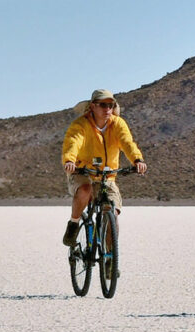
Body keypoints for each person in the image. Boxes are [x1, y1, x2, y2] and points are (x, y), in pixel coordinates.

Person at [60, 89, 147, 247]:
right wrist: (69, 160)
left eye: (111, 105)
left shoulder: (118, 124)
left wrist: (137, 159)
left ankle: (109, 262)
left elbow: (127, 142)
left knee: (112, 212)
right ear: (93, 106)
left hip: (107, 175)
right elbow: (74, 142)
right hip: (82, 171)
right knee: (85, 189)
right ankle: (73, 224)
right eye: (103, 105)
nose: (108, 109)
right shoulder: (81, 124)